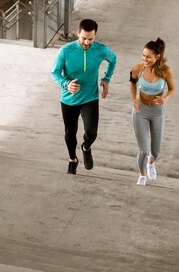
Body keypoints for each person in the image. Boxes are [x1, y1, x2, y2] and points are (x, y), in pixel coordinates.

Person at [51, 19, 117, 175]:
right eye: (84, 38)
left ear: (95, 35)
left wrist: (106, 79)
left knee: (92, 133)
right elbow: (54, 73)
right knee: (70, 133)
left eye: (91, 39)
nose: (87, 42)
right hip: (69, 99)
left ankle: (86, 147)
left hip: (90, 97)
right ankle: (73, 159)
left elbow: (113, 59)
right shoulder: (66, 51)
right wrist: (66, 84)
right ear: (78, 33)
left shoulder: (101, 50)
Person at [129, 38, 176, 185]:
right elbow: (132, 83)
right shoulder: (138, 68)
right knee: (143, 150)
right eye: (143, 55)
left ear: (157, 57)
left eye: (148, 57)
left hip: (157, 112)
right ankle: (142, 175)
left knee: (155, 152)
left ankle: (151, 163)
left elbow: (172, 89)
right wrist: (133, 100)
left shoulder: (165, 71)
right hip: (140, 111)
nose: (145, 59)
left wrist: (165, 98)